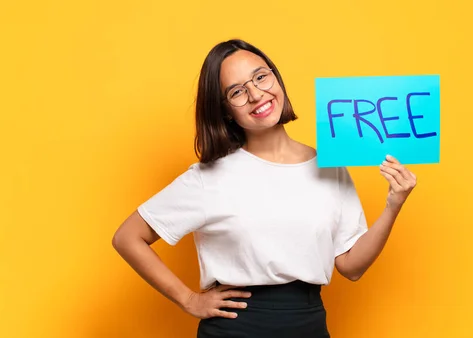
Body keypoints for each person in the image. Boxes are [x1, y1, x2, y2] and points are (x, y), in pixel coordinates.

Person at [112, 39, 417, 338]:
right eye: (237, 92)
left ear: (276, 77)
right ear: (226, 111)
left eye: (260, 77)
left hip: (308, 323)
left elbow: (351, 266)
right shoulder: (210, 177)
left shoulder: (331, 166)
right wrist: (189, 300)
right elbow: (128, 237)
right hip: (236, 327)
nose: (256, 94)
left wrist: (394, 203)